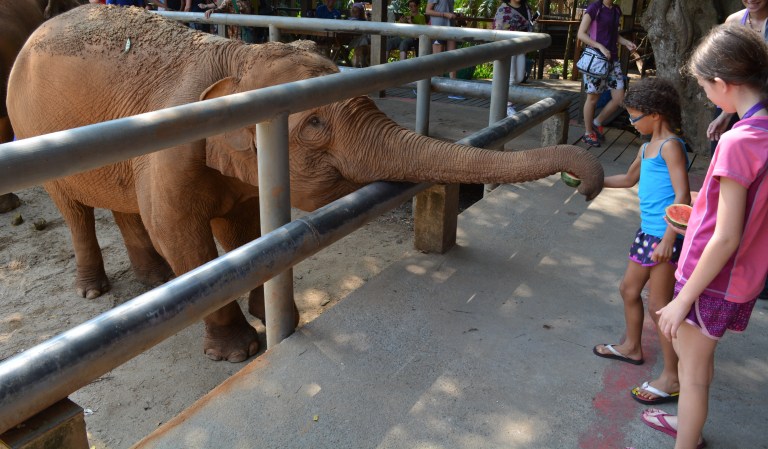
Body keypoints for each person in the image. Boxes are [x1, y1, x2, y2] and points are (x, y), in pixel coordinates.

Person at [639, 24, 768, 449]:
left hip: (711, 280)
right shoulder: (762, 132)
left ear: (723, 83)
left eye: (704, 88)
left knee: (692, 377)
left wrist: (682, 299)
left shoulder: (737, 143)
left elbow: (726, 237)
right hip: (743, 278)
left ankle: (686, 440)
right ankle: (688, 426)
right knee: (701, 362)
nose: (705, 97)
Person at [592, 78, 690, 409]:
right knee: (628, 290)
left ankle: (673, 376)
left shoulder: (670, 147)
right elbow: (628, 179)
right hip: (647, 234)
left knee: (660, 306)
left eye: (635, 117)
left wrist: (668, 237)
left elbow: (682, 197)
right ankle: (632, 347)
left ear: (656, 115)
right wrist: (594, 182)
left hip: (665, 237)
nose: (632, 124)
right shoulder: (646, 147)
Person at [707, 0, 768, 154]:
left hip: (761, 103)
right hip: (733, 99)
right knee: (722, 150)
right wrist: (726, 113)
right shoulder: (733, 21)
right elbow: (725, 66)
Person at [576, 0, 636, 147]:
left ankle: (597, 122)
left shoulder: (616, 10)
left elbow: (614, 35)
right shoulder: (594, 8)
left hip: (612, 61)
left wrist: (625, 42)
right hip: (596, 60)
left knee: (619, 97)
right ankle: (588, 132)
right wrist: (600, 47)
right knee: (593, 98)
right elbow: (581, 34)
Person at [493, 0, 534, 116]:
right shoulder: (503, 9)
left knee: (520, 76)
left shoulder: (526, 8)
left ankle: (507, 102)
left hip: (520, 46)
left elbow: (528, 25)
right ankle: (508, 106)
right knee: (510, 77)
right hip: (506, 47)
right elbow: (498, 28)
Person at [425, 0, 458, 79]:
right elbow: (428, 11)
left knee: (453, 58)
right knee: (437, 61)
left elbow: (447, 10)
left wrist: (454, 15)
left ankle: (453, 85)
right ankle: (435, 86)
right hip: (438, 29)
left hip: (450, 28)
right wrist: (444, 14)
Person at [347, 3, 370, 67]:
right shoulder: (349, 20)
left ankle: (359, 63)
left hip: (361, 43)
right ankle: (360, 63)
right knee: (363, 39)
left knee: (364, 39)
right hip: (350, 41)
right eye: (353, 11)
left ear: (361, 12)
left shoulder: (364, 21)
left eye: (357, 11)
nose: (355, 13)